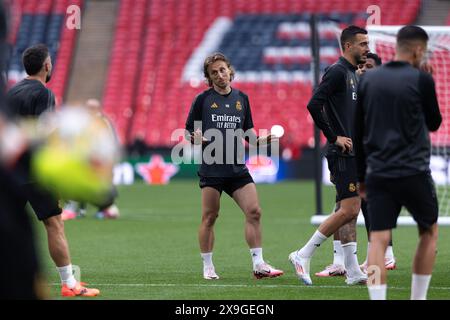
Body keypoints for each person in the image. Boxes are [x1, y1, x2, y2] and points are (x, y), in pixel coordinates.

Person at [354, 25, 441, 300]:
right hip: (414, 171)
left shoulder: (368, 80)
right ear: (417, 49)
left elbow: (358, 131)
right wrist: (430, 84)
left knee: (377, 240)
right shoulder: (421, 79)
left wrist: (361, 177)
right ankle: (418, 297)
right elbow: (435, 122)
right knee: (428, 233)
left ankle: (377, 298)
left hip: (379, 173)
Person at [6, 44, 100, 297]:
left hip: (9, 171)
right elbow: (47, 137)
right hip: (36, 173)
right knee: (54, 224)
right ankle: (69, 284)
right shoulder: (44, 93)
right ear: (47, 65)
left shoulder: (11, 93)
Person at [185, 52, 283, 280]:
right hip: (212, 168)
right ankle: (208, 265)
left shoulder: (242, 98)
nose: (220, 75)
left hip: (237, 168)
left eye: (222, 70)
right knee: (210, 217)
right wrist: (195, 138)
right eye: (214, 73)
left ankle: (259, 264)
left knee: (254, 212)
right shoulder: (203, 100)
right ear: (209, 78)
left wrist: (261, 140)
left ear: (230, 70)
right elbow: (189, 130)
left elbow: (248, 132)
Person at [289, 26, 369, 286]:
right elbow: (313, 104)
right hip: (342, 152)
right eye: (362, 44)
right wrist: (334, 137)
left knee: (349, 211)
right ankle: (303, 254)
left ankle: (353, 270)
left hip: (353, 152)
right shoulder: (337, 72)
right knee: (349, 209)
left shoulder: (352, 74)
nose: (367, 48)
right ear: (348, 46)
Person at [316, 52, 396, 277]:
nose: (364, 70)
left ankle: (374, 257)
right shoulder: (356, 89)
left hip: (371, 156)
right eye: (362, 66)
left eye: (369, 67)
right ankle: (346, 262)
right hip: (357, 154)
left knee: (356, 206)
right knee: (348, 205)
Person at [61, 99, 120, 221]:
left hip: (97, 159)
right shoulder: (90, 121)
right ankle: (102, 209)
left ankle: (104, 209)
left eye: (91, 108)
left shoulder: (101, 122)